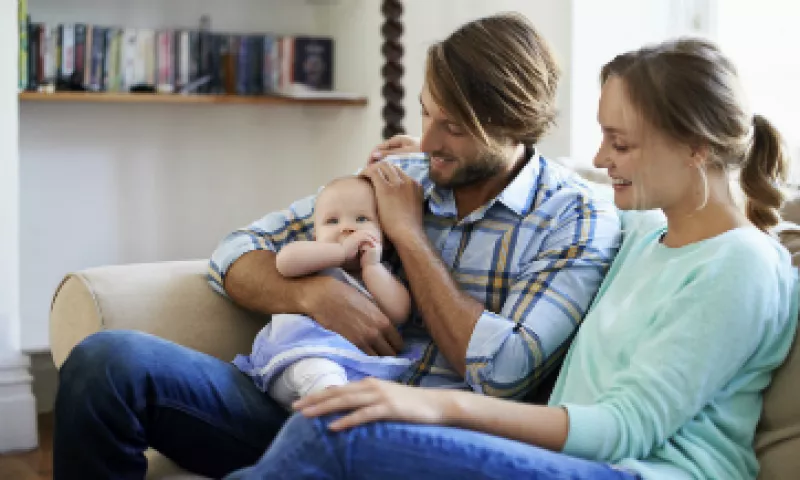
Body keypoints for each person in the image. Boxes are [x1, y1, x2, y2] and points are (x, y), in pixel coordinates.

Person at [52, 13, 621, 479]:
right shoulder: (403, 174)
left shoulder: (576, 215)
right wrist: (315, 295)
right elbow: (235, 253)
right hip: (296, 395)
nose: (425, 141)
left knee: (319, 439)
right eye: (426, 112)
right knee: (108, 360)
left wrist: (408, 234)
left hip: (408, 444)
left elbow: (501, 373)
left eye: (452, 126)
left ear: (513, 122)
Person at [221, 38, 799, 480]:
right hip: (574, 459)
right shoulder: (646, 232)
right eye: (602, 137)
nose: (601, 156)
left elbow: (625, 427)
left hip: (636, 471)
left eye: (621, 144)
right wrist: (431, 161)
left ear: (697, 148)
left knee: (334, 432)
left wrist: (437, 408)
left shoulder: (742, 265)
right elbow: (555, 195)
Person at [233, 176, 415, 408]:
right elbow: (284, 262)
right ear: (316, 236)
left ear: (385, 238)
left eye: (362, 219)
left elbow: (399, 312)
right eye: (331, 221)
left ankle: (337, 415)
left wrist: (372, 267)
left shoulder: (381, 273)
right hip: (299, 357)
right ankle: (331, 405)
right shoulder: (314, 260)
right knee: (321, 372)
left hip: (357, 370)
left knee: (378, 394)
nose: (347, 227)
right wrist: (339, 252)